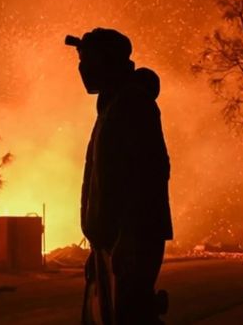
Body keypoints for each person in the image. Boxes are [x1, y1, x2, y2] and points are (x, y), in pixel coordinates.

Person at [67, 28, 173, 325]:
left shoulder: (132, 104)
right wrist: (97, 244)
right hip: (112, 241)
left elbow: (150, 173)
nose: (82, 69)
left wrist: (128, 236)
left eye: (88, 60)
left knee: (132, 318)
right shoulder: (111, 106)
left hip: (131, 239)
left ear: (108, 61)